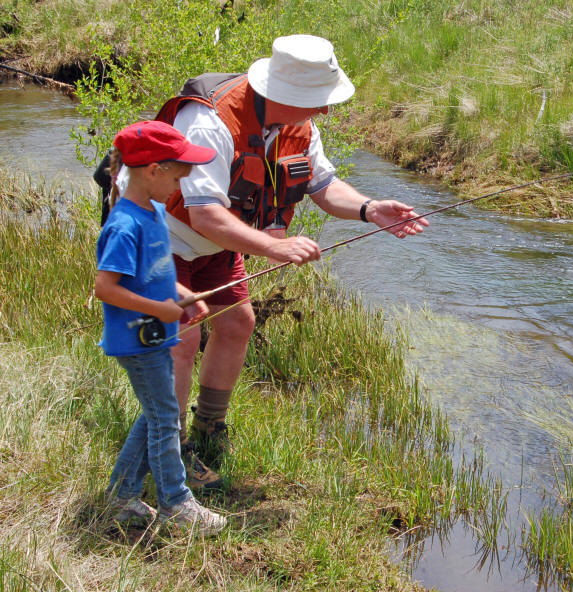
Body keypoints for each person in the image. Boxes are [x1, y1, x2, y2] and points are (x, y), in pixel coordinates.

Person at [144, 34, 430, 490]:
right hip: (160, 235)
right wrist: (274, 247)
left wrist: (368, 208)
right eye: (318, 102)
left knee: (237, 324)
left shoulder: (300, 127)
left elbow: (323, 186)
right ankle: (174, 451)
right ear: (284, 93)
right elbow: (204, 213)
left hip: (214, 243)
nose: (325, 112)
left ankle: (209, 427)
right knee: (182, 338)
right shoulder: (209, 120)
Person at [95, 120, 226, 535]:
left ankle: (122, 496)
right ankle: (175, 503)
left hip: (154, 334)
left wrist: (185, 294)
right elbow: (105, 288)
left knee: (154, 415)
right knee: (166, 417)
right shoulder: (124, 224)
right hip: (135, 339)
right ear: (152, 170)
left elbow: (155, 271)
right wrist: (159, 308)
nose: (180, 186)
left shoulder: (152, 212)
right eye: (176, 175)